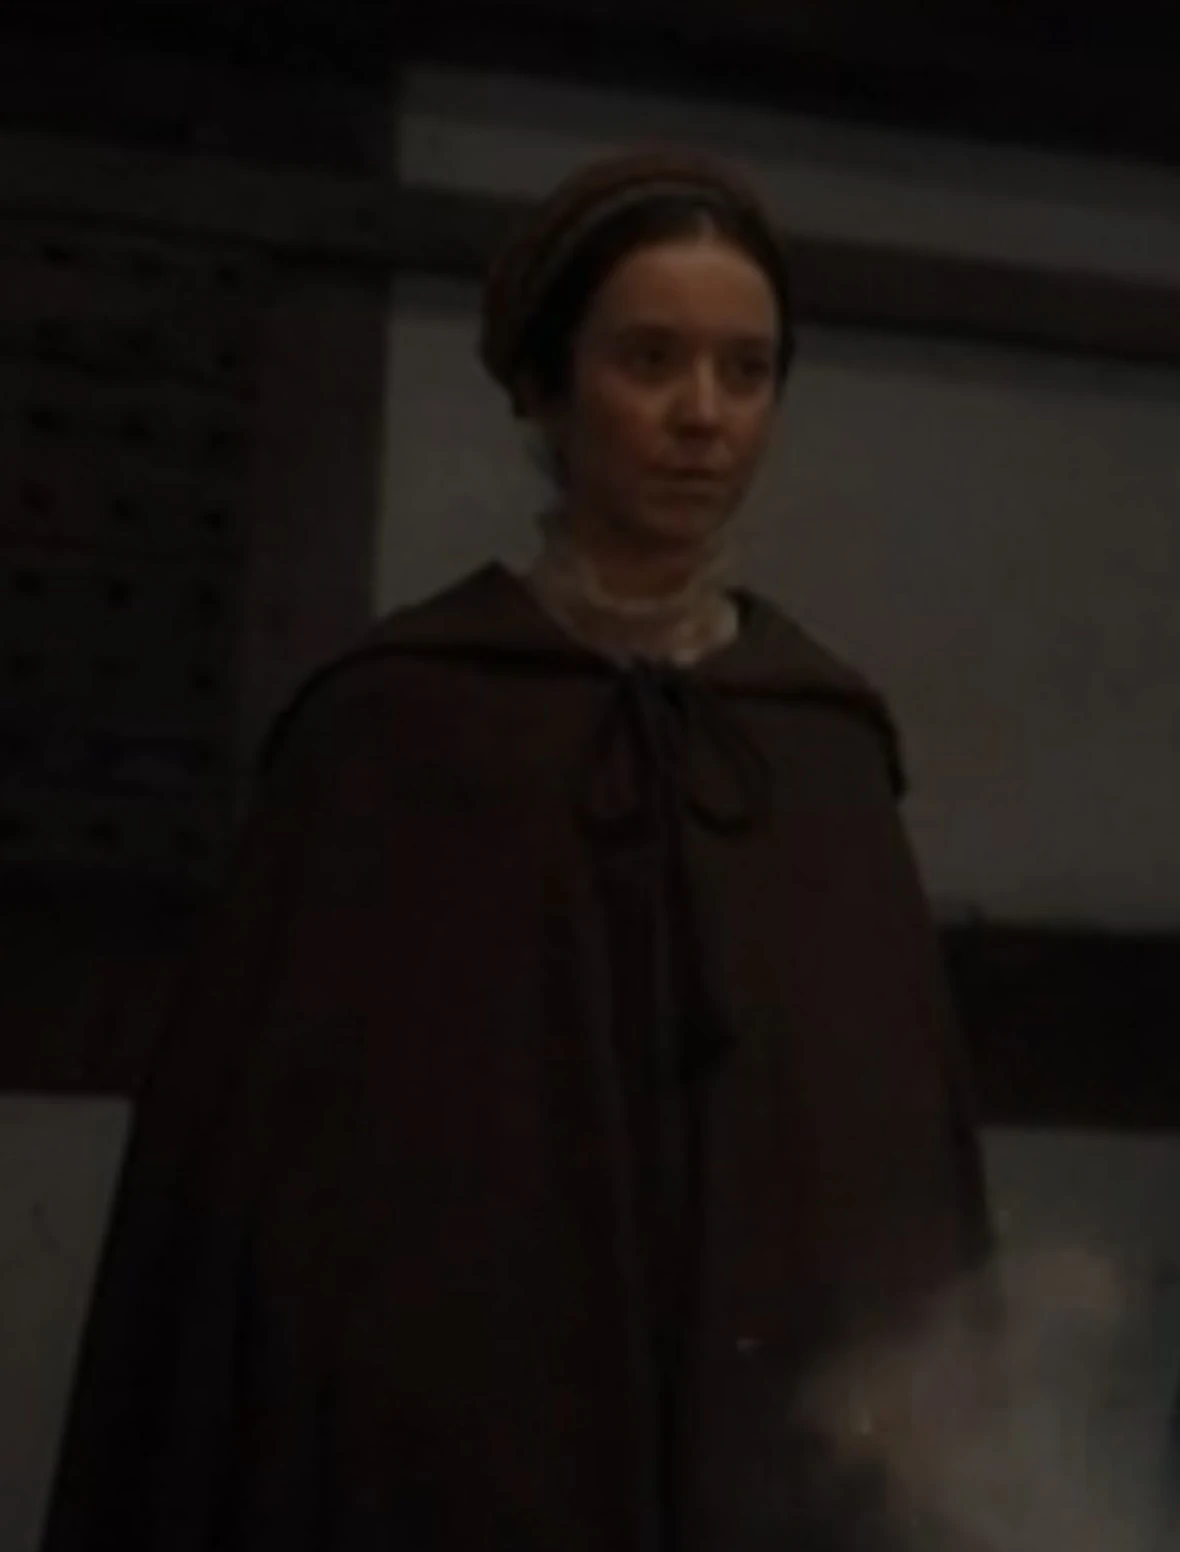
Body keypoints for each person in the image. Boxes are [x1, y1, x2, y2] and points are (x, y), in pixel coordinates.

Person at [43, 151, 993, 1552]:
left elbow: (893, 1180)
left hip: (771, 1465)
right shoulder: (396, 727)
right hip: (462, 1445)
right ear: (546, 388)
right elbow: (261, 1185)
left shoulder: (822, 749)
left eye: (746, 371)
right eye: (649, 360)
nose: (702, 415)